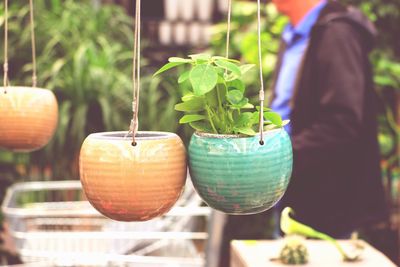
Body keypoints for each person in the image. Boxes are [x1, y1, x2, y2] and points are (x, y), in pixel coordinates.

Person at [271, 0, 388, 238]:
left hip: (329, 203)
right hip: (293, 191)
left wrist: (278, 156)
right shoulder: (294, 34)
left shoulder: (337, 33)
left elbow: (342, 123)